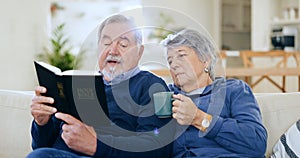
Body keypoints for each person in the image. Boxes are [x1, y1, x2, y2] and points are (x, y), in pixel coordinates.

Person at [27, 14, 174, 158]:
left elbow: (158, 147)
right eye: (106, 43)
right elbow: (41, 145)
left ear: (139, 52)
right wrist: (42, 123)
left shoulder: (153, 86)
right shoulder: (78, 84)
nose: (113, 50)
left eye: (123, 44)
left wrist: (96, 145)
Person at [161, 29, 267, 157]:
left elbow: (257, 144)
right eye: (170, 61)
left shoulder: (233, 90)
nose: (174, 65)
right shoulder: (166, 95)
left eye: (181, 56)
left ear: (205, 60)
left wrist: (199, 118)